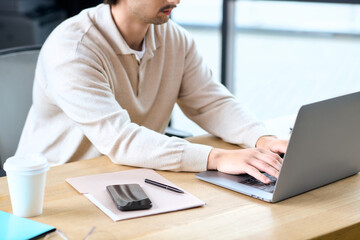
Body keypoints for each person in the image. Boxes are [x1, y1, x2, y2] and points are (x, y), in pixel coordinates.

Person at [16, 0, 288, 184]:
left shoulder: (175, 38)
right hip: (57, 188)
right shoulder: (73, 48)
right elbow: (120, 140)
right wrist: (217, 158)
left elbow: (211, 103)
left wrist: (261, 138)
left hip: (132, 177)